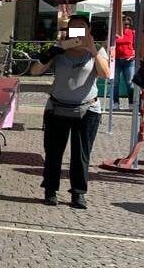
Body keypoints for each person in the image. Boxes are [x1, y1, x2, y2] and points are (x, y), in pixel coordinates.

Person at [30, 15, 110, 208]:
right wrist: (56, 49)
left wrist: (92, 50)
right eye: (72, 28)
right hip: (57, 108)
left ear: (89, 30)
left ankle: (78, 193)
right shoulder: (58, 50)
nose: (77, 32)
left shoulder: (97, 50)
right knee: (54, 152)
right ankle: (50, 190)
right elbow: (34, 71)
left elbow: (105, 74)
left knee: (81, 154)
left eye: (81, 28)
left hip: (88, 108)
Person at [113, 14, 136, 110]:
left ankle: (131, 103)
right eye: (125, 24)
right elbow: (110, 44)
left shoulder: (132, 33)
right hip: (116, 60)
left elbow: (137, 45)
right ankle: (115, 103)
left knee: (130, 83)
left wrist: (134, 54)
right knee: (115, 82)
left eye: (128, 24)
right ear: (120, 24)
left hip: (129, 61)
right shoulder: (115, 33)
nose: (126, 26)